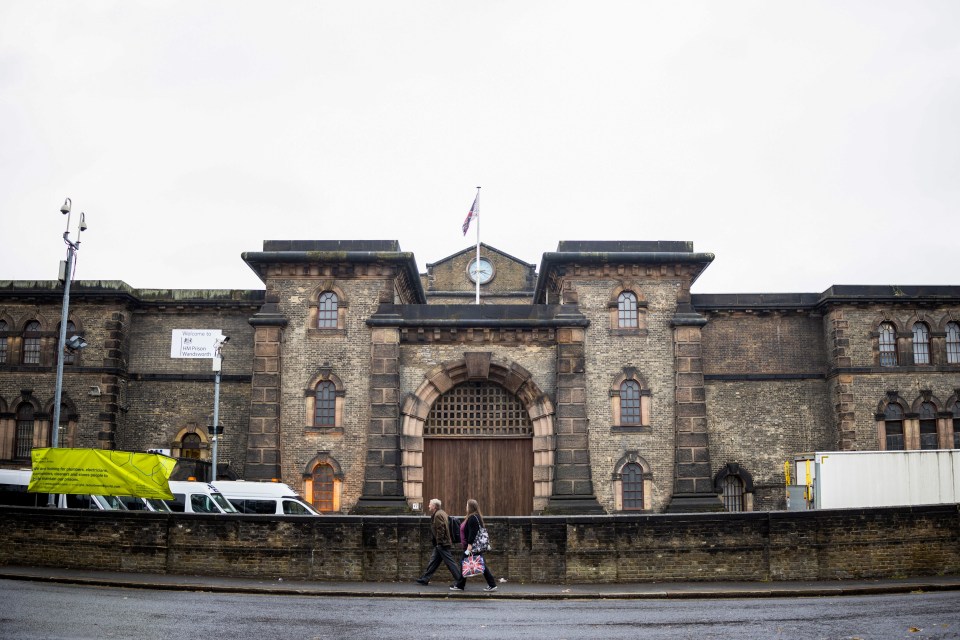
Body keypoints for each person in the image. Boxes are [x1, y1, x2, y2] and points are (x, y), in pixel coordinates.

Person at [451, 498, 497, 591]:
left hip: (472, 547)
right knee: (479, 564)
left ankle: (460, 585)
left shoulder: (473, 518)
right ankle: (492, 584)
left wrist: (469, 545)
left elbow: (472, 533)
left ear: (470, 507)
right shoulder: (475, 516)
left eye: (467, 505)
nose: (466, 507)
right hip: (474, 546)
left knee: (465, 563)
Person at [415, 498, 462, 586]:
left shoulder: (438, 515)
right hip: (441, 543)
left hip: (442, 543)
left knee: (450, 562)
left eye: (430, 504)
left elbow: (441, 529)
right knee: (434, 561)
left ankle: (460, 581)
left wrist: (439, 542)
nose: (428, 506)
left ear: (434, 506)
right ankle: (425, 578)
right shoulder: (442, 513)